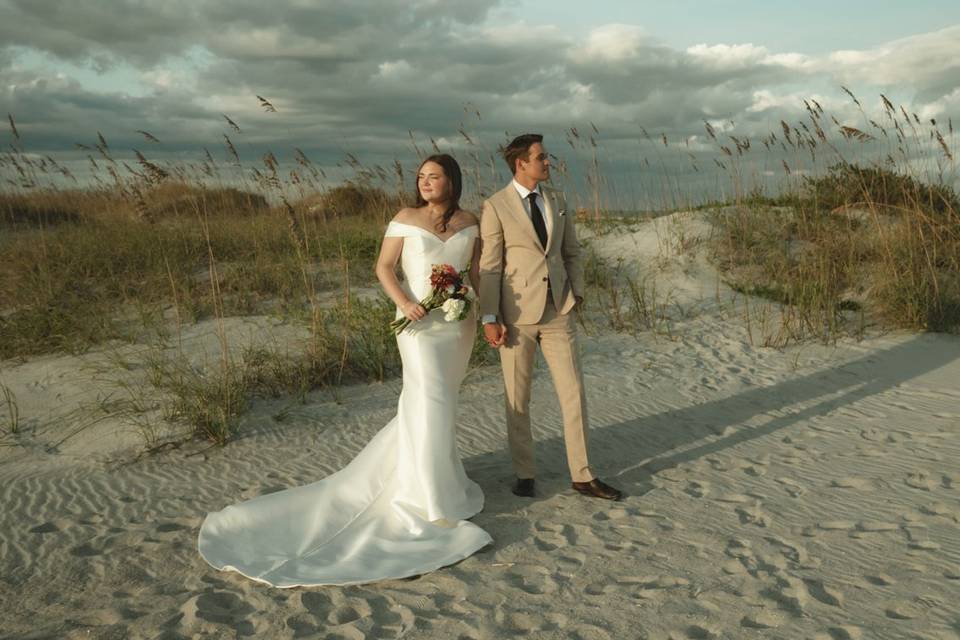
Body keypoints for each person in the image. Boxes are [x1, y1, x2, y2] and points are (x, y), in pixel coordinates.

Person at [198, 154, 492, 587]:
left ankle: (443, 481)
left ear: (453, 180)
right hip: (416, 324)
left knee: (440, 403)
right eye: (421, 177)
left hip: (455, 325)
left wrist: (479, 309)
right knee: (430, 398)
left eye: (435, 176)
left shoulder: (471, 220)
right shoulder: (405, 217)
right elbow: (383, 267)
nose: (426, 182)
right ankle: (426, 499)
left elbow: (475, 273)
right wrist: (404, 303)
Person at [478, 134, 622, 501]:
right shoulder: (495, 206)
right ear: (520, 164)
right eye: (541, 157)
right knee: (518, 398)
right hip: (516, 316)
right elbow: (490, 267)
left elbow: (571, 250)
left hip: (558, 310)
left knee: (574, 393)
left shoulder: (557, 199)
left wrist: (578, 291)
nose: (548, 162)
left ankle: (583, 475)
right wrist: (490, 315)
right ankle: (525, 474)